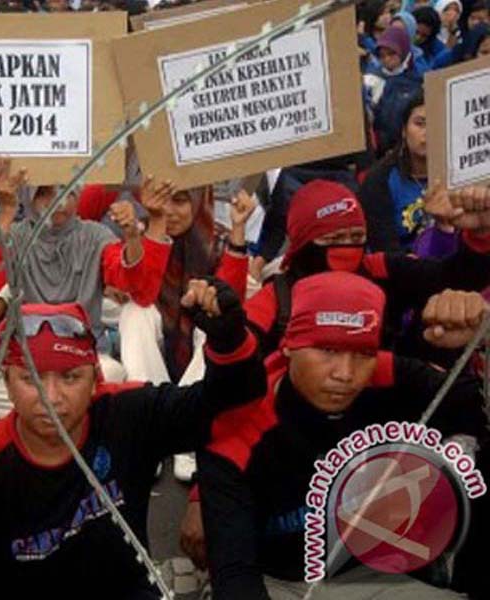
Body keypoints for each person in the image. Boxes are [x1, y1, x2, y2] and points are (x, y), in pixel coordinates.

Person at [0, 281, 267, 599]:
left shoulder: (128, 413)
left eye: (70, 377)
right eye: (31, 379)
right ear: (5, 383)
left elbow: (229, 403)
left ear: (96, 378)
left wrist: (228, 339)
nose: (51, 398)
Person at [198, 271, 489, 599]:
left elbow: (474, 409)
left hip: (374, 577)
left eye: (363, 354)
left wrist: (483, 343)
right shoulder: (238, 424)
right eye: (327, 350)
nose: (345, 374)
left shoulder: (387, 375)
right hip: (281, 582)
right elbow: (236, 574)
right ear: (290, 344)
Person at [0, 159, 172, 420]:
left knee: (112, 372)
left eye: (67, 192)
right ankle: (68, 418)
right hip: (29, 362)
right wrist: (7, 211)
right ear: (30, 197)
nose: (58, 202)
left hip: (81, 363)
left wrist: (133, 238)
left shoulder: (95, 235)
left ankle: (40, 418)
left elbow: (131, 283)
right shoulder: (18, 234)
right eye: (45, 193)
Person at [243, 179, 490, 360]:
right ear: (302, 244)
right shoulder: (275, 298)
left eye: (356, 236)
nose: (347, 247)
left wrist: (480, 232)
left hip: (387, 415)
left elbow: (456, 278)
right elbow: (236, 356)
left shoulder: (381, 269)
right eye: (333, 238)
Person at [119, 185, 255, 385]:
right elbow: (138, 288)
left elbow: (229, 301)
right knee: (135, 312)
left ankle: (187, 404)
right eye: (161, 200)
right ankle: (146, 398)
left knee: (213, 315)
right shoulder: (140, 235)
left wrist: (238, 229)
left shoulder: (218, 240)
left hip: (200, 355)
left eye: (179, 201)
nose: (168, 211)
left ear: (198, 202)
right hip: (158, 339)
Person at [359, 91, 429, 252]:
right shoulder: (379, 180)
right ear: (404, 130)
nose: (427, 132)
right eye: (420, 124)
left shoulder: (462, 174)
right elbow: (382, 248)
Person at [363, 25, 424, 154]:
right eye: (382, 56)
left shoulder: (417, 81)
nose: (387, 59)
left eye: (392, 54)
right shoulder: (371, 79)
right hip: (378, 148)